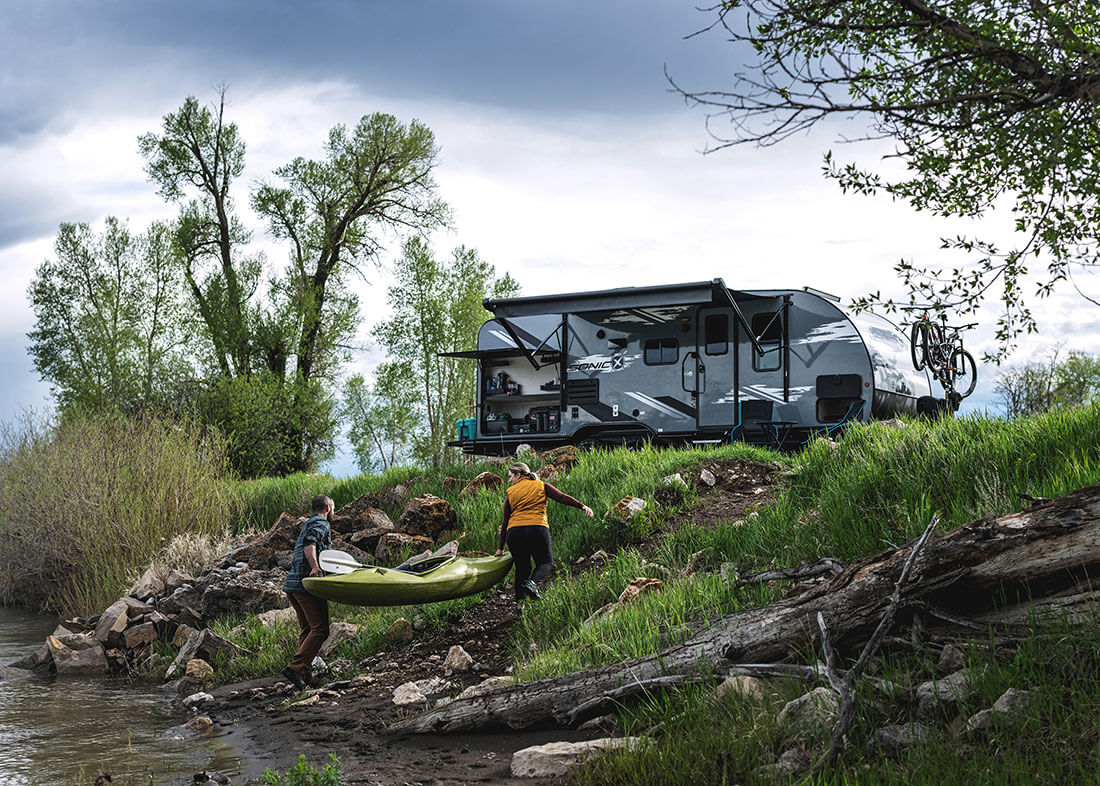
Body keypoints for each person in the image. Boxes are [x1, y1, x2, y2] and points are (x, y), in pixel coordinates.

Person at [495, 461, 593, 610]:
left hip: (515, 532)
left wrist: (500, 548)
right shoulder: (541, 485)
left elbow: (505, 521)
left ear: (519, 474)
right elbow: (561, 497)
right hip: (537, 528)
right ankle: (532, 584)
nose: (509, 480)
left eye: (511, 477)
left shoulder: (511, 493)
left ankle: (520, 607)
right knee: (545, 562)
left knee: (522, 569)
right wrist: (582, 506)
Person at [280, 494, 334, 689]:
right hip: (306, 585)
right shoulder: (321, 523)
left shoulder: (308, 523)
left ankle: (304, 675)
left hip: (292, 586)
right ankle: (295, 668)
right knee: (321, 629)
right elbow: (309, 545)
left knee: (308, 629)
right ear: (328, 507)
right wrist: (315, 567)